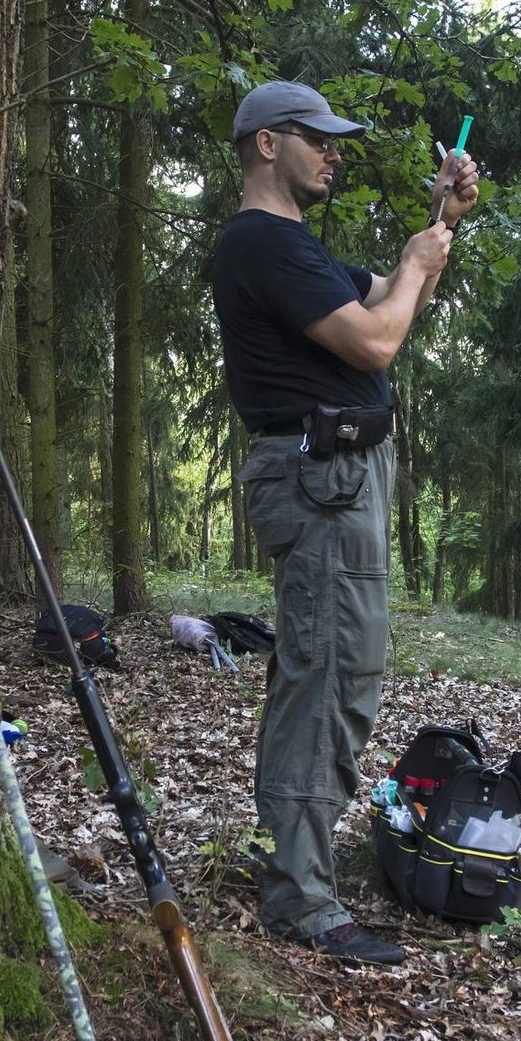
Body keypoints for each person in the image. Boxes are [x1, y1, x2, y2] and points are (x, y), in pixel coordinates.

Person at [210, 80, 479, 965]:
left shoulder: (296, 249)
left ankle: (298, 863)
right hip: (319, 477)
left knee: (340, 667)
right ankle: (300, 897)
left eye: (335, 139)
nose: (333, 151)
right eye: (315, 138)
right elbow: (375, 340)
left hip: (342, 476)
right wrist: (412, 265)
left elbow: (391, 298)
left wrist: (438, 229)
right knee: (326, 673)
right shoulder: (259, 242)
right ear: (264, 145)